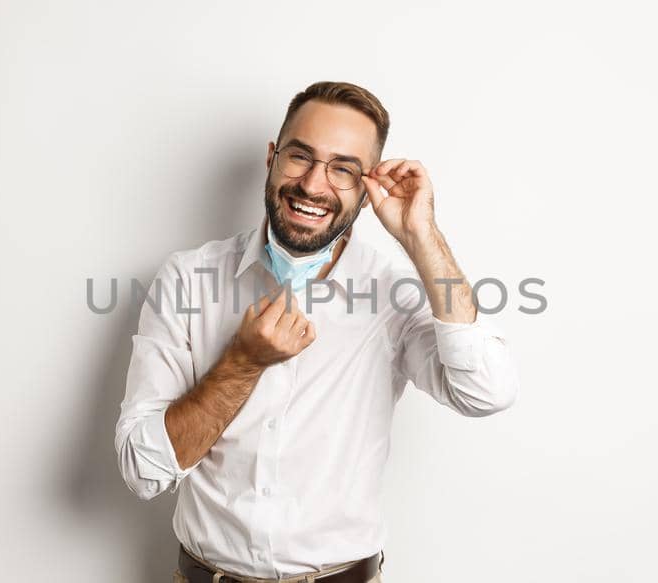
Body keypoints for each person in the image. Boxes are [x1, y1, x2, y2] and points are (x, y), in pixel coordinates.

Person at [115, 81, 520, 583]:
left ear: (369, 188)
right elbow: (143, 470)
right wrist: (242, 363)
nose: (312, 185)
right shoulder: (186, 279)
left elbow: (486, 392)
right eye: (300, 157)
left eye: (343, 169)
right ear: (271, 157)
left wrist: (422, 236)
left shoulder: (393, 296)